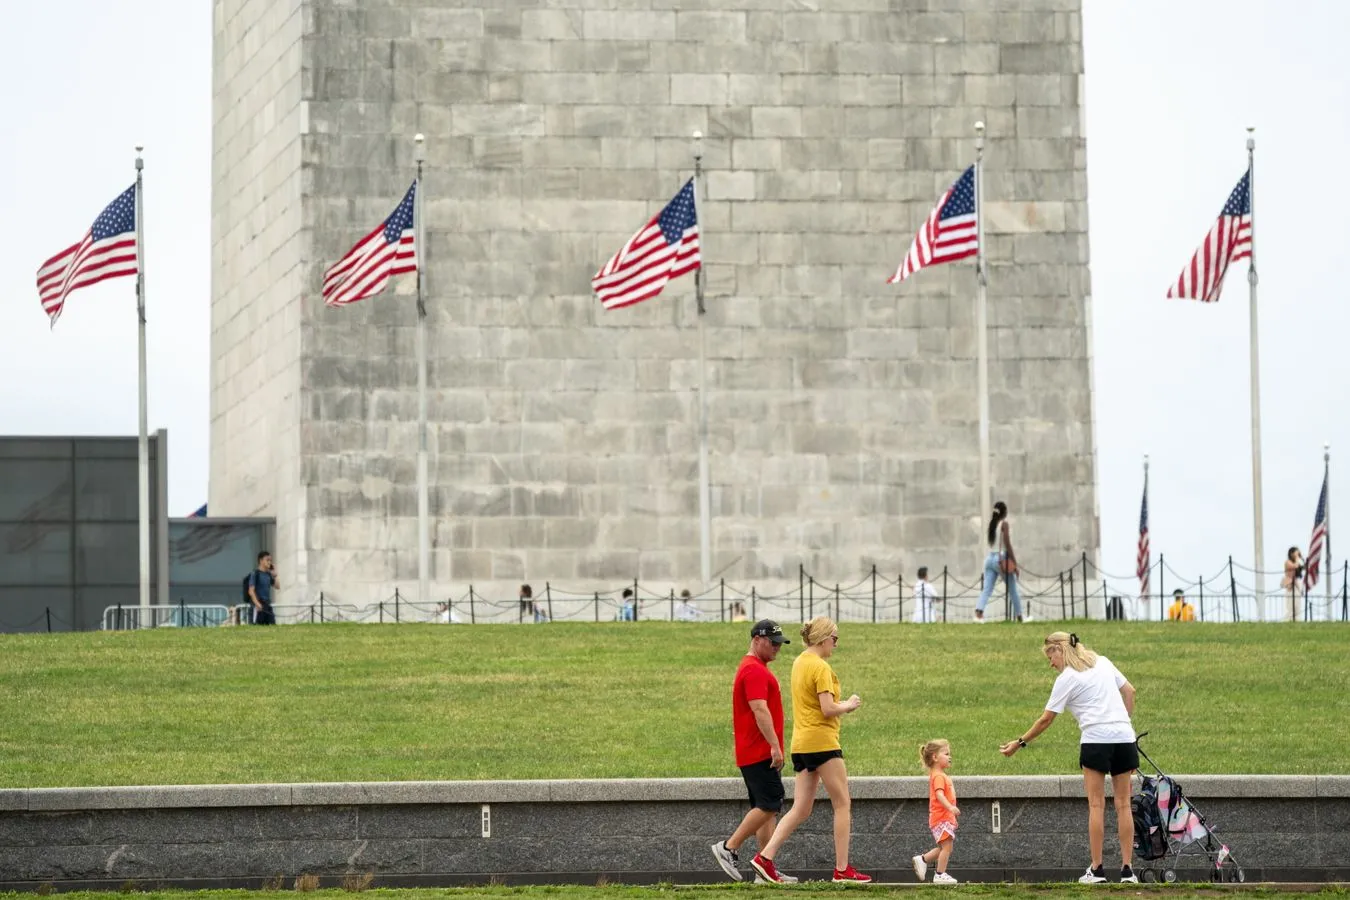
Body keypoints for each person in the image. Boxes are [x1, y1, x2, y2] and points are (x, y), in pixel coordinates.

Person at [1000, 632, 1139, 884]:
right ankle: (1127, 870)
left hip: (1096, 740)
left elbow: (1046, 719)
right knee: (1124, 805)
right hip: (1124, 739)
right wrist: (1124, 725)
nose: (1050, 663)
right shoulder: (1104, 661)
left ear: (1059, 650)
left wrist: (1019, 743)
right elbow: (1130, 692)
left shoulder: (1067, 678)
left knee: (1096, 805)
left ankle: (1097, 870)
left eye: (1050, 656)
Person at [750, 617, 871, 884]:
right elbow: (828, 709)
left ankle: (765, 857)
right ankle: (842, 870)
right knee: (843, 804)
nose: (835, 645)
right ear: (824, 638)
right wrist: (848, 705)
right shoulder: (821, 667)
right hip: (823, 742)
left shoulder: (799, 662)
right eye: (835, 639)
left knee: (801, 809)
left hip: (801, 744)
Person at [710, 620, 798, 884]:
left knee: (766, 808)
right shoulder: (754, 670)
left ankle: (764, 867)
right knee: (771, 803)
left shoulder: (753, 668)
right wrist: (774, 746)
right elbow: (760, 710)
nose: (777, 648)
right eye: (773, 643)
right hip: (759, 751)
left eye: (779, 644)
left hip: (754, 751)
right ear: (757, 639)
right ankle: (728, 848)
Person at [912, 739, 960, 884]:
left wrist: (951, 814)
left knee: (944, 847)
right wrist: (950, 808)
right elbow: (939, 795)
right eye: (946, 754)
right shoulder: (938, 776)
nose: (949, 757)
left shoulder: (940, 775)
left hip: (944, 817)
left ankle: (923, 859)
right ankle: (939, 874)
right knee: (947, 847)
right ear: (935, 757)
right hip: (941, 817)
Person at [975, 501, 1027, 623]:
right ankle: (1020, 616)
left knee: (987, 589)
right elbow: (1007, 544)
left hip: (989, 559)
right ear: (1004, 512)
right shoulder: (1004, 524)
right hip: (1001, 558)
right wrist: (1015, 563)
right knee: (1013, 588)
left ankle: (978, 614)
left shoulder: (992, 525)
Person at [246, 551, 278, 625]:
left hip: (267, 605)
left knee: (272, 626)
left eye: (270, 560)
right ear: (261, 561)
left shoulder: (268, 574)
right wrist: (257, 604)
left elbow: (277, 586)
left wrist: (275, 575)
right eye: (267, 560)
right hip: (257, 606)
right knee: (257, 628)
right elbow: (251, 591)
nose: (269, 562)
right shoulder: (255, 574)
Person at [1282, 547, 1304, 622]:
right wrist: (1297, 558)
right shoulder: (1287, 562)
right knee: (1291, 607)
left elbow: (1299, 570)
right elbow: (1294, 566)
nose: (1297, 554)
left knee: (1297, 606)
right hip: (1290, 586)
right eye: (1296, 552)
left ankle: (1297, 621)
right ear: (1291, 553)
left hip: (1296, 585)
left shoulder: (1297, 562)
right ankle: (1287, 621)